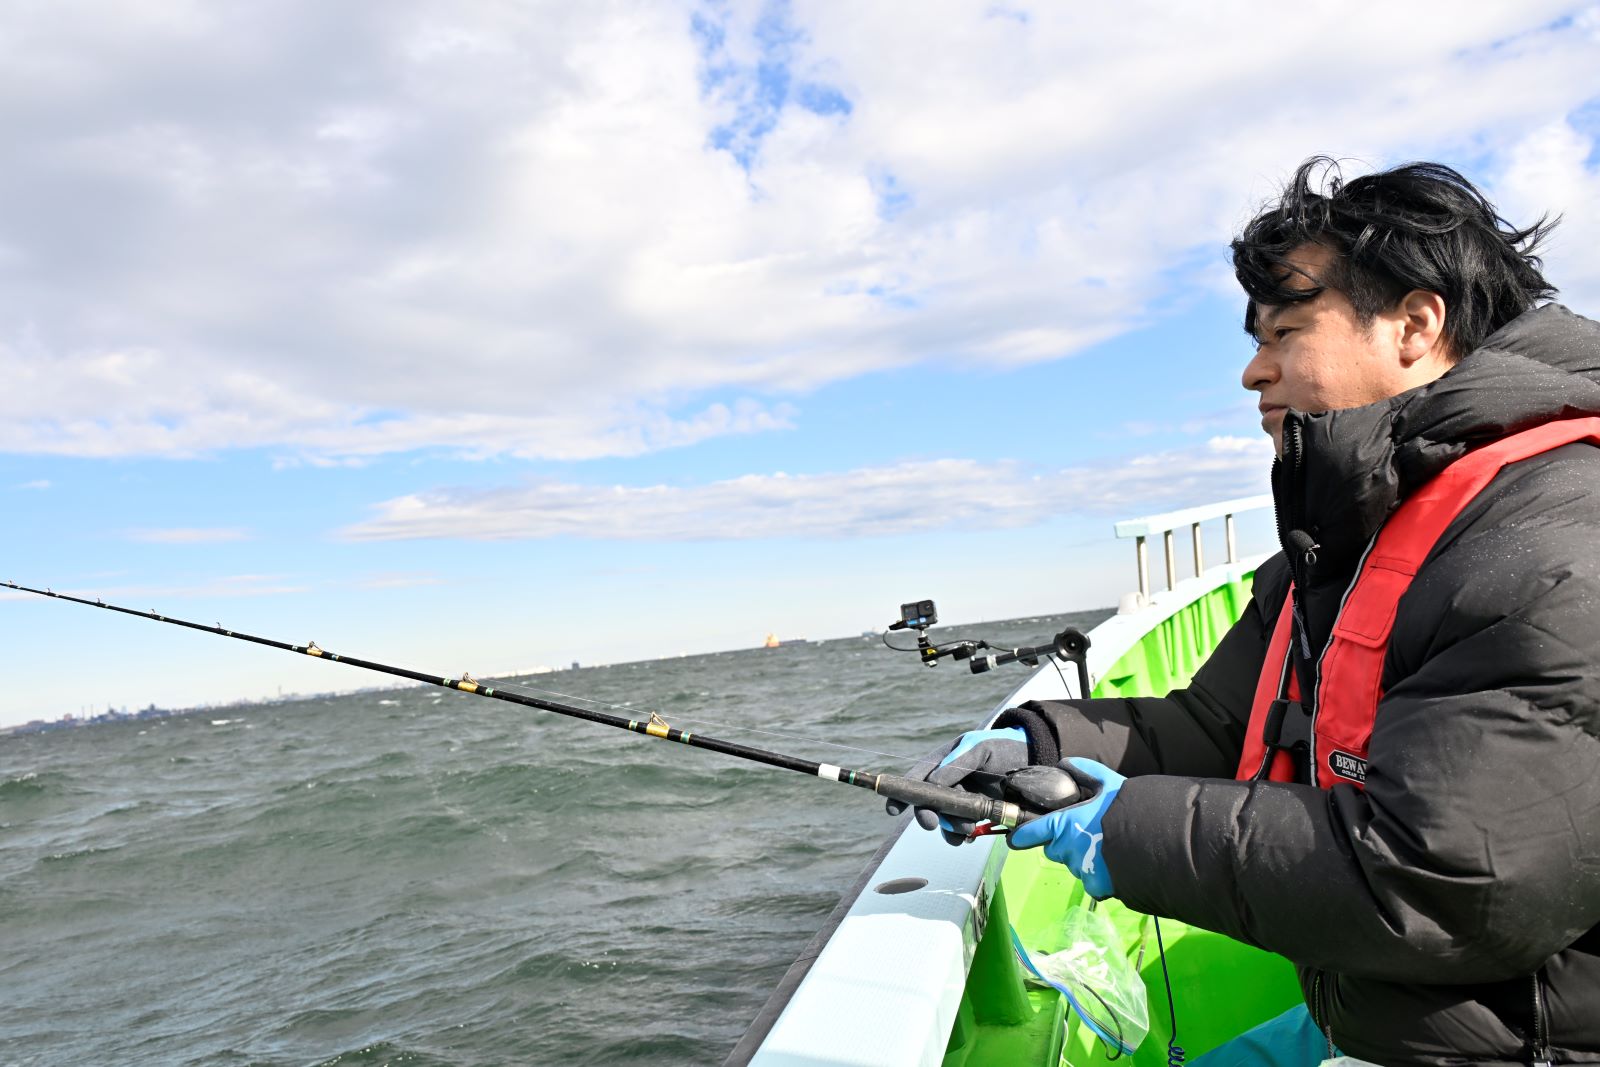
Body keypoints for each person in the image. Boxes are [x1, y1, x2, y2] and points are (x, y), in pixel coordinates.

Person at [891, 158, 1600, 1066]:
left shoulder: (1552, 539)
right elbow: (1223, 724)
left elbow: (1446, 881)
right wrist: (1040, 743)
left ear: (1416, 326)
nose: (1252, 371)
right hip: (1387, 1012)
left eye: (1288, 331)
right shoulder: (1344, 550)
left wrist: (1118, 829)